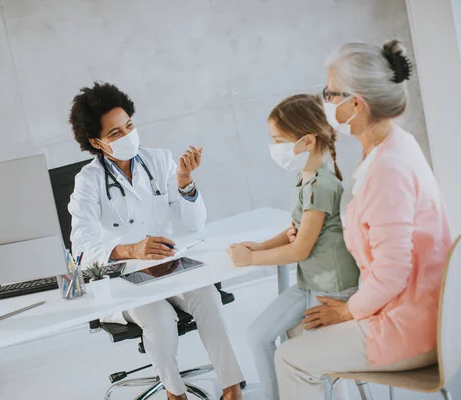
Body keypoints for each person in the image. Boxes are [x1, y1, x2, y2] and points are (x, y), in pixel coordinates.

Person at [274, 40, 452, 400]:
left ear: (356, 103)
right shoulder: (393, 146)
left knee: (289, 357)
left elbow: (392, 273)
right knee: (298, 331)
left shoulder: (388, 168)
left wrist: (349, 311)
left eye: (330, 92)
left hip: (412, 328)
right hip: (422, 310)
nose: (324, 100)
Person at [67, 82, 244, 400]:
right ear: (96, 142)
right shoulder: (88, 182)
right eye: (116, 134)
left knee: (207, 296)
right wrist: (129, 250)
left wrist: (185, 183)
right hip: (122, 280)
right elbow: (80, 248)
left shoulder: (160, 160)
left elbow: (194, 224)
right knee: (159, 318)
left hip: (169, 268)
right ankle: (175, 394)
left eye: (129, 126)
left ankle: (232, 389)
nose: (128, 135)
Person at [226, 94, 359, 400]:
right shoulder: (307, 178)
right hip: (308, 283)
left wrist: (250, 259)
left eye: (278, 140)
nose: (274, 149)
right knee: (258, 334)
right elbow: (294, 231)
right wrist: (259, 245)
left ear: (308, 141)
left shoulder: (322, 185)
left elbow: (299, 250)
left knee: (305, 360)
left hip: (331, 288)